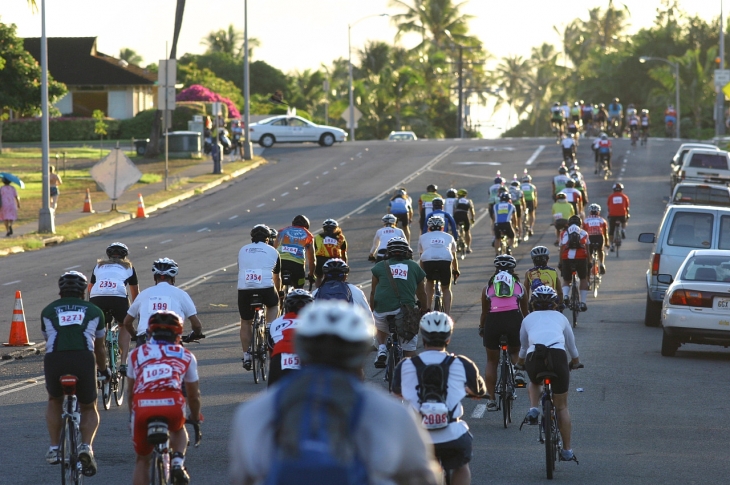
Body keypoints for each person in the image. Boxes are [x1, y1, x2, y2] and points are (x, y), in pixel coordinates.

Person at [229, 301, 441, 485]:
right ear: (360, 353)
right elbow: (423, 477)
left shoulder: (254, 411)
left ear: (301, 349)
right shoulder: (392, 413)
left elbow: (241, 478)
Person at [393, 312, 486, 485]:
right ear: (448, 338)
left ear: (423, 336)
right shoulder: (462, 363)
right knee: (461, 467)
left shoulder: (405, 365)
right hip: (452, 437)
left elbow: (396, 392)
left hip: (418, 439)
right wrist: (469, 391)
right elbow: (479, 390)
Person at [42, 271, 107, 477]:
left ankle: (54, 448)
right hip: (83, 359)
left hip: (55, 359)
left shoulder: (48, 310)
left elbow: (48, 338)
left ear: (61, 291)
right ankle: (86, 447)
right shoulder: (95, 310)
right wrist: (104, 370)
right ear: (84, 291)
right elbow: (100, 348)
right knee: (89, 407)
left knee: (54, 400)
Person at [127, 311, 202, 485]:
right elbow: (193, 395)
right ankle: (177, 462)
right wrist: (195, 417)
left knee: (142, 461)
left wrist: (132, 416)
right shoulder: (186, 355)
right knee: (178, 428)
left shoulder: (136, 354)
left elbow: (130, 392)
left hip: (142, 406)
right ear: (178, 333)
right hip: (172, 405)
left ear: (150, 332)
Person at [516, 285, 581, 463]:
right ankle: (567, 450)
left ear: (533, 304)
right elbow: (571, 346)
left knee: (535, 382)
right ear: (555, 304)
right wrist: (575, 362)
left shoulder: (528, 319)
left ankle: (533, 408)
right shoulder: (561, 318)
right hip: (558, 357)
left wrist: (520, 363)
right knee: (562, 407)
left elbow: (523, 347)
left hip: (534, 357)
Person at [479, 255, 528, 411]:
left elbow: (484, 313)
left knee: (492, 361)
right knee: (514, 351)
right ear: (513, 270)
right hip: (514, 319)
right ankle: (519, 372)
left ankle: (491, 400)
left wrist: (482, 327)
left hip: (493, 321)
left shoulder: (488, 287)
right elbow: (525, 312)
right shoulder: (520, 286)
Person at [370, 237, 428, 365]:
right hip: (405, 311)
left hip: (382, 310)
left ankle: (382, 348)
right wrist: (424, 308)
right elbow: (422, 293)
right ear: (407, 251)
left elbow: (373, 292)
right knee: (410, 352)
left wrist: (372, 310)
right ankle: (409, 371)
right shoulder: (414, 266)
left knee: (381, 325)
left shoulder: (379, 266)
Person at [123, 258, 204, 346]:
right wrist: (195, 334)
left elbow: (127, 322)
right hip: (171, 339)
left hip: (145, 339)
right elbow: (197, 325)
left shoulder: (143, 294)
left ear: (155, 278)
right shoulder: (181, 294)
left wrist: (135, 336)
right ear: (173, 278)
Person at [88, 242, 139, 375]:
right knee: (124, 325)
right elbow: (135, 293)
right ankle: (123, 363)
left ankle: (101, 363)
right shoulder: (129, 267)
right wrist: (135, 311)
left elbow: (90, 287)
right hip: (118, 297)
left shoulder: (98, 266)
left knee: (99, 327)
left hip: (96, 296)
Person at [237, 224, 281, 370]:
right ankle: (269, 326)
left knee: (245, 321)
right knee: (274, 305)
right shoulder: (273, 251)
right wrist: (278, 293)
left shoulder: (243, 250)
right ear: (268, 239)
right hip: (266, 288)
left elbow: (241, 268)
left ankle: (247, 356)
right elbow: (277, 276)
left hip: (245, 288)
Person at [267, 289, 314, 387]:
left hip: (280, 354)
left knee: (273, 395)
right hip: (307, 353)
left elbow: (271, 347)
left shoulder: (276, 323)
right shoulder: (317, 320)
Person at [419, 215, 459, 315]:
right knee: (446, 289)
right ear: (442, 227)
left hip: (428, 261)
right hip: (445, 261)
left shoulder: (422, 237)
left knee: (429, 282)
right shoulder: (449, 237)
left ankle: (427, 309)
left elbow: (422, 258)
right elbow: (453, 256)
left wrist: (421, 274)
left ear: (428, 228)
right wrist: (456, 269)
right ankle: (447, 314)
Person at [275, 215, 315, 289]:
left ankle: (279, 296)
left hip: (280, 261)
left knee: (276, 283)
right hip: (297, 265)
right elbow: (311, 258)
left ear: (293, 224)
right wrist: (311, 274)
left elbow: (274, 249)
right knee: (299, 288)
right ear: (307, 226)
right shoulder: (308, 235)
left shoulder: (282, 231)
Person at [559, 215, 589, 311]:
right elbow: (587, 250)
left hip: (567, 258)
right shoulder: (584, 233)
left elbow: (561, 248)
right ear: (580, 224)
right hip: (581, 258)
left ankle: (566, 296)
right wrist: (589, 262)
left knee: (567, 280)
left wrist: (560, 262)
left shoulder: (563, 233)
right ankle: (583, 302)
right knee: (583, 279)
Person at [313, 218, 347, 286]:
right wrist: (345, 266)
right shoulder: (341, 238)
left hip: (320, 259)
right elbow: (344, 254)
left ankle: (318, 291)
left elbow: (314, 250)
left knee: (319, 277)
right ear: (336, 228)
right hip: (335, 260)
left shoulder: (318, 237)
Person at [583, 204, 609, 274]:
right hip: (599, 237)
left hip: (590, 238)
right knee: (600, 250)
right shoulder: (602, 220)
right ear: (598, 212)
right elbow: (605, 233)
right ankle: (602, 264)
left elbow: (583, 232)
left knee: (589, 253)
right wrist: (607, 243)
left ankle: (589, 265)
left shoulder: (585, 220)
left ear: (590, 212)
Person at [607, 183, 630, 251]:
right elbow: (627, 207)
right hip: (622, 215)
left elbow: (609, 207)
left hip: (612, 215)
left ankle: (611, 245)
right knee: (625, 220)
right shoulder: (624, 197)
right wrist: (627, 214)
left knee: (611, 230)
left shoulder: (610, 197)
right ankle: (623, 229)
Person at [453, 188, 476, 253]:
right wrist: (472, 219)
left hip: (457, 215)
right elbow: (472, 211)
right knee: (467, 231)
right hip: (465, 216)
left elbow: (454, 210)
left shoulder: (456, 201)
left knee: (455, 229)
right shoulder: (469, 201)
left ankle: (457, 244)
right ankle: (468, 247)